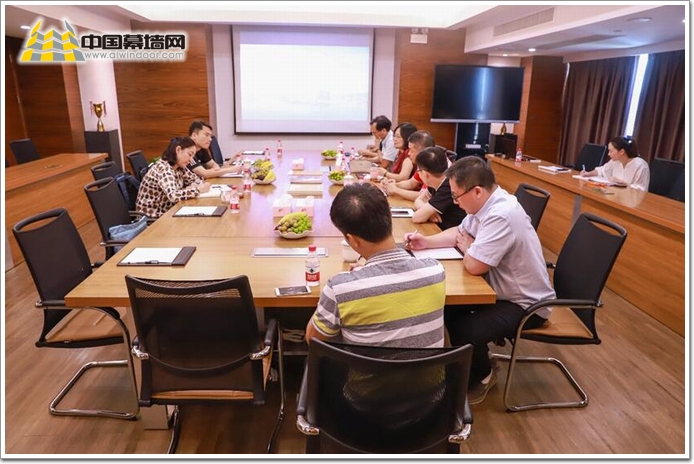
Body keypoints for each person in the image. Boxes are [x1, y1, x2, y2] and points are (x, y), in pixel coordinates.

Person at [404, 156, 555, 404]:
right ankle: (468, 363)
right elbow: (460, 232)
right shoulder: (483, 204)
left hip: (526, 304)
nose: (454, 202)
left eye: (456, 196)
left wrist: (469, 247)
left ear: (476, 191)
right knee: (446, 307)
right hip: (499, 290)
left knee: (466, 329)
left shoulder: (501, 214)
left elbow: (474, 266)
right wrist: (427, 242)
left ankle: (483, 375)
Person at [305, 182, 446, 348]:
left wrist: (360, 277)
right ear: (389, 218)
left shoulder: (340, 288)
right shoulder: (435, 270)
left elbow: (313, 340)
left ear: (352, 240)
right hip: (430, 366)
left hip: (362, 366)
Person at [136, 136, 212, 218]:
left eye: (193, 157)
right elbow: (173, 196)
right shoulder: (164, 168)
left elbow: (197, 180)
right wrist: (197, 190)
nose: (191, 160)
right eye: (189, 155)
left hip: (169, 212)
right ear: (178, 150)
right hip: (153, 218)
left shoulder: (179, 166)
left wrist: (190, 189)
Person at [412, 147, 467, 230]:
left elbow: (416, 218)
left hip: (452, 232)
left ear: (425, 174)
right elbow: (418, 200)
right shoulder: (435, 182)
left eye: (418, 171)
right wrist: (429, 213)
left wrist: (425, 212)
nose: (418, 174)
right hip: (440, 228)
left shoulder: (448, 186)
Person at [381, 130, 435, 201]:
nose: (409, 153)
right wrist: (393, 184)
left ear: (422, 152)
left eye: (411, 150)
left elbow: (423, 196)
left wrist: (395, 190)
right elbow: (411, 183)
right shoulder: (422, 162)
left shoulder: (434, 165)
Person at [580, 136, 650, 191]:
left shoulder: (641, 166)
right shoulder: (615, 161)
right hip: (615, 195)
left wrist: (620, 182)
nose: (608, 154)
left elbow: (641, 190)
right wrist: (589, 174)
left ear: (621, 152)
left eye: (611, 151)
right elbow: (601, 170)